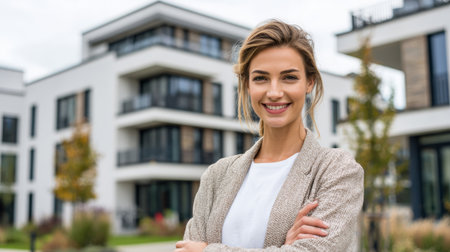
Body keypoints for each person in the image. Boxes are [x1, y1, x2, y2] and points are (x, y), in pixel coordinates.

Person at [175, 20, 364, 252]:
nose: (274, 92)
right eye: (261, 78)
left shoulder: (336, 170)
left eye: (289, 77)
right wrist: (283, 247)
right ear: (246, 85)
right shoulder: (216, 176)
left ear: (310, 82)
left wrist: (207, 249)